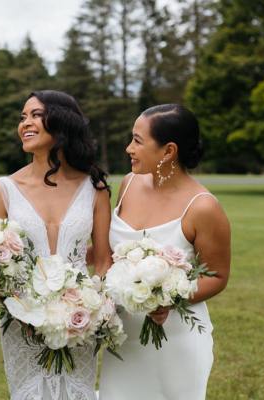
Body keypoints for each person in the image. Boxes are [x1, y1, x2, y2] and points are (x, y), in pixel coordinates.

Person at [98, 104, 231, 400]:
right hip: (124, 337)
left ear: (168, 151)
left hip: (175, 340)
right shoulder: (130, 183)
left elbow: (218, 276)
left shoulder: (203, 207)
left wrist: (169, 299)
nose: (128, 148)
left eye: (138, 140)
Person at [0, 90, 112, 400]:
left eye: (35, 115)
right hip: (21, 323)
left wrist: (97, 309)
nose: (25, 123)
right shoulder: (5, 189)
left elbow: (104, 260)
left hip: (79, 321)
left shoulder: (94, 188)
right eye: (22, 117)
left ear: (61, 122)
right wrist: (20, 310)